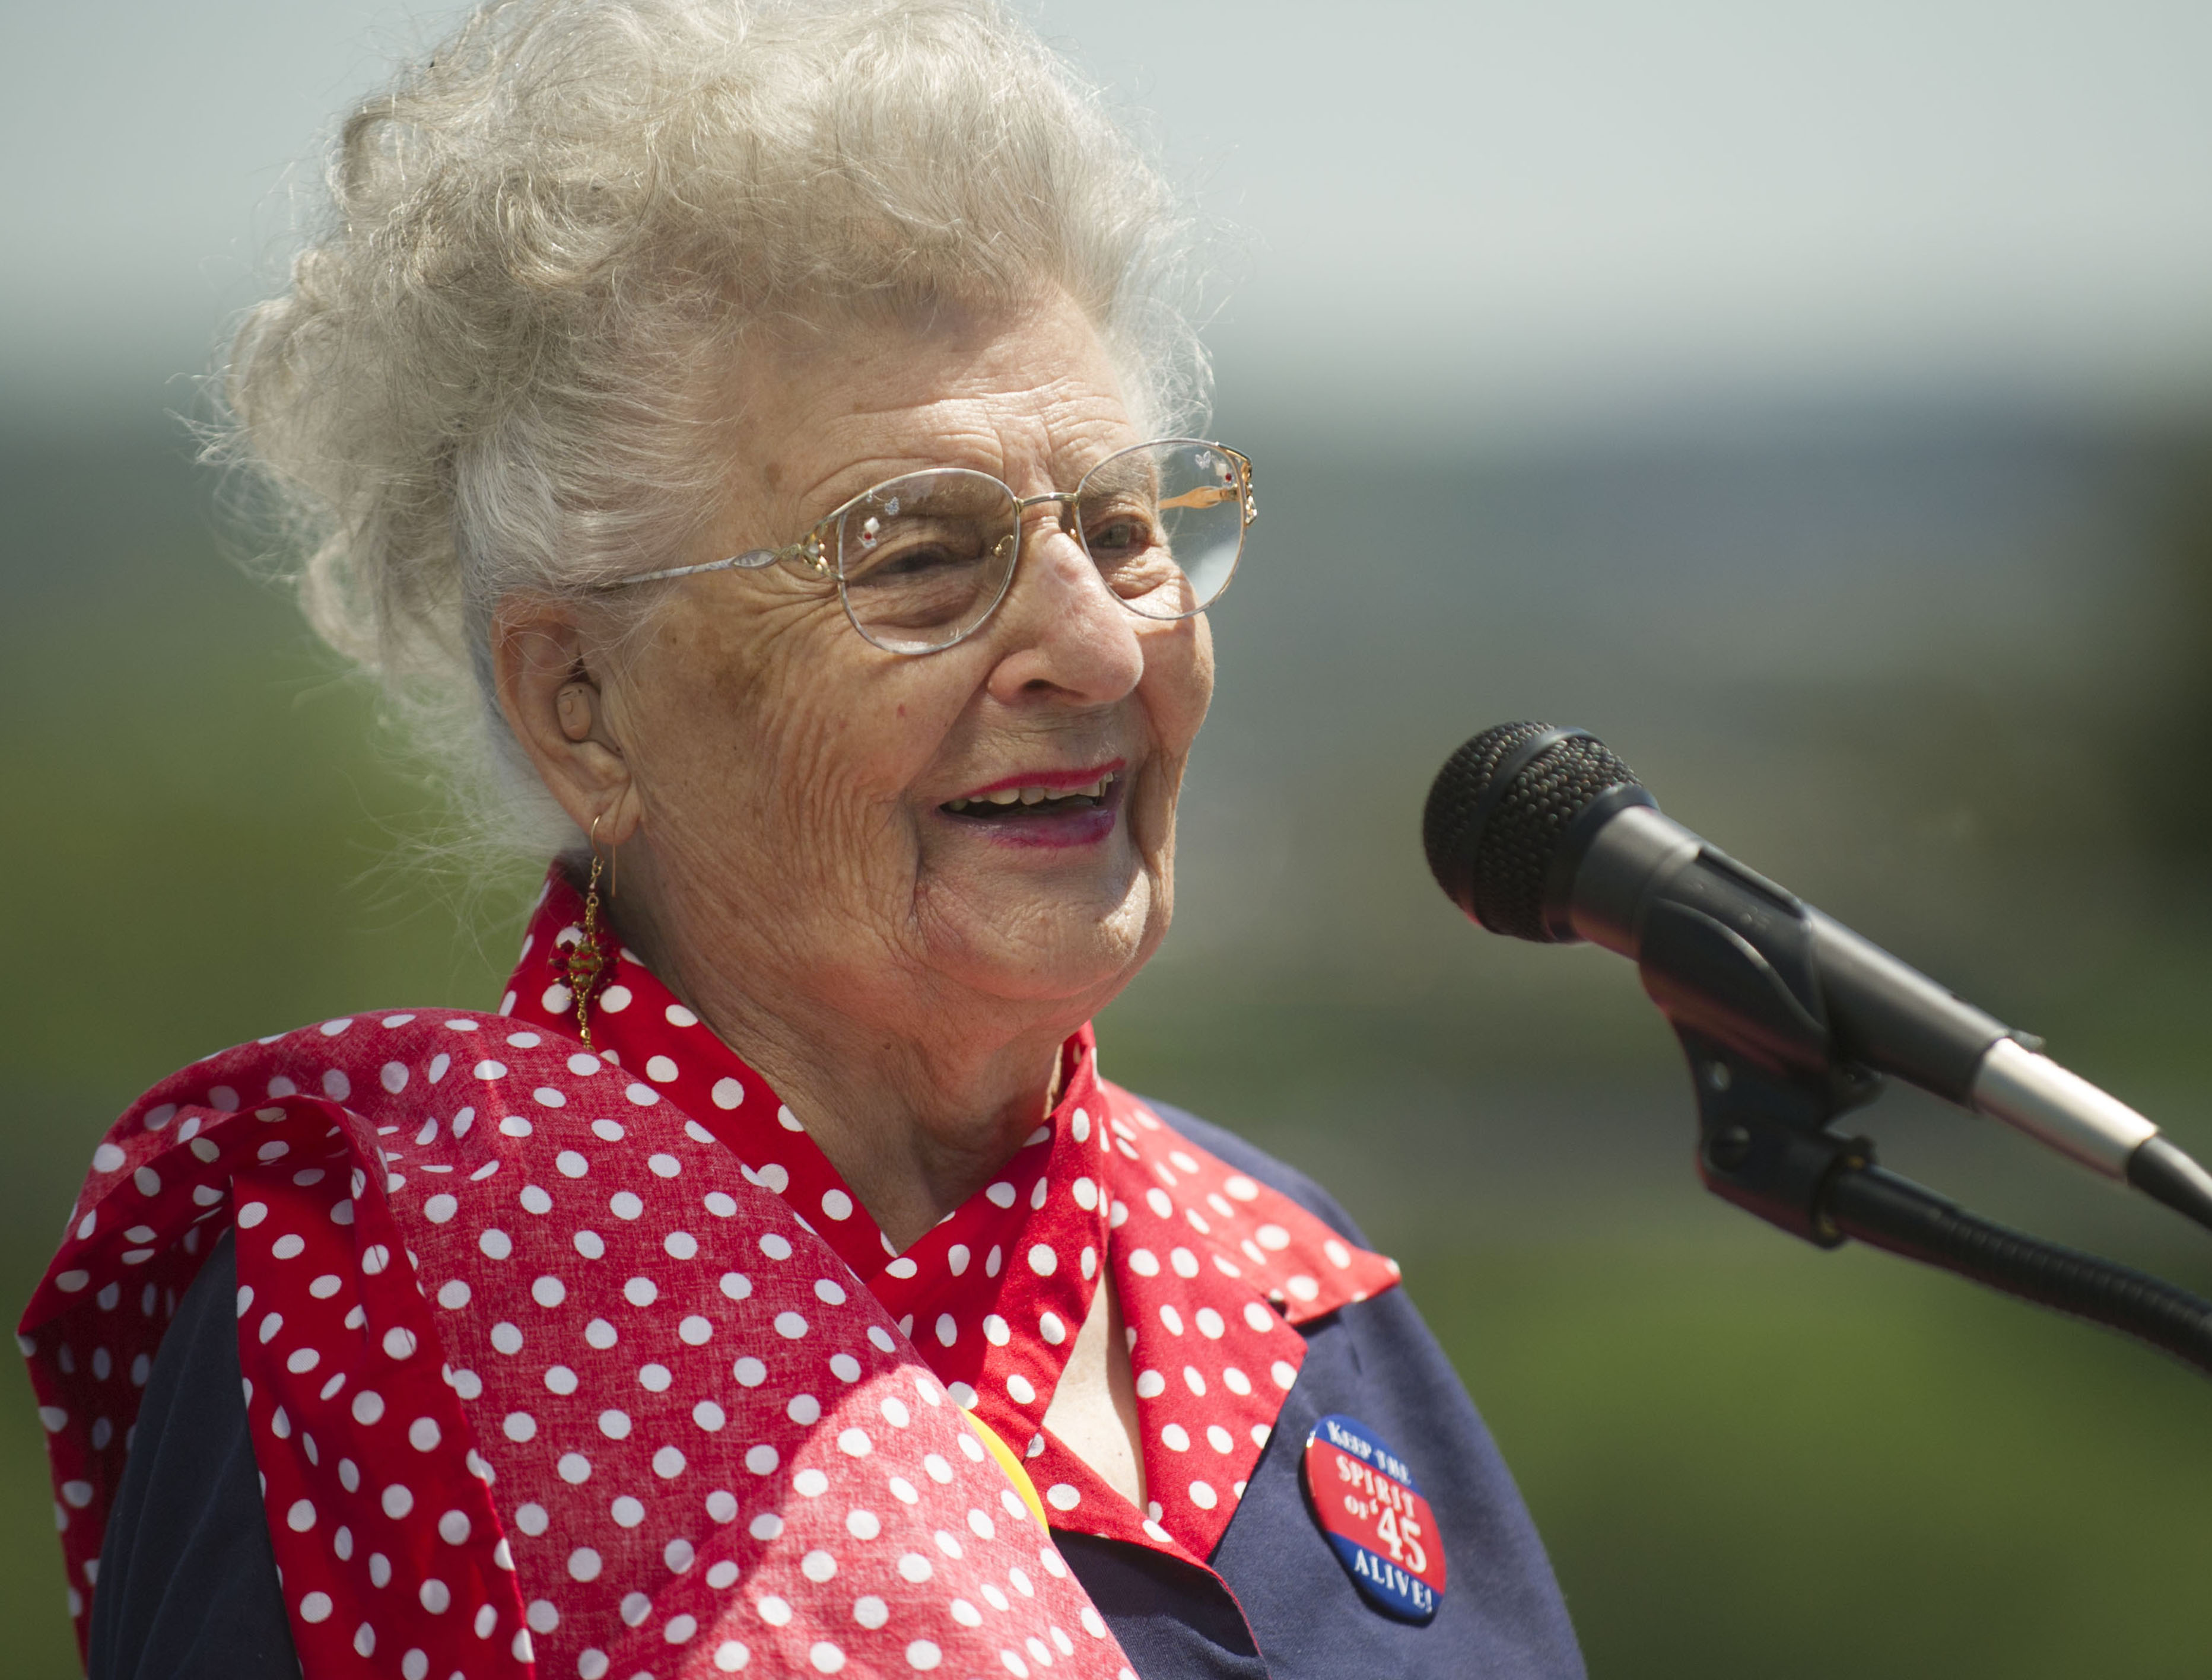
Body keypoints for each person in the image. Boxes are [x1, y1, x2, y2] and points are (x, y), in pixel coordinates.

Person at [21, 2, 1584, 1676]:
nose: (1104, 647)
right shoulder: (384, 1323)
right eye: (917, 553)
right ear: (581, 708)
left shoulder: (1298, 1282)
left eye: (1125, 527)